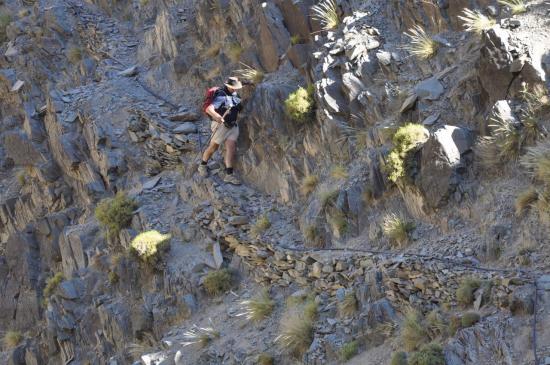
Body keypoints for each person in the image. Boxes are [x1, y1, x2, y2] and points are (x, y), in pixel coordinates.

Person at [198, 77, 244, 185]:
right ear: (228, 86)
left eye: (236, 87)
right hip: (221, 126)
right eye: (233, 87)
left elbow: (239, 108)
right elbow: (209, 109)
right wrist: (217, 116)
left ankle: (229, 175)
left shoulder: (235, 95)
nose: (235, 89)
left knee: (231, 148)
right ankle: (202, 165)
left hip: (233, 126)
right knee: (213, 147)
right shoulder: (221, 95)